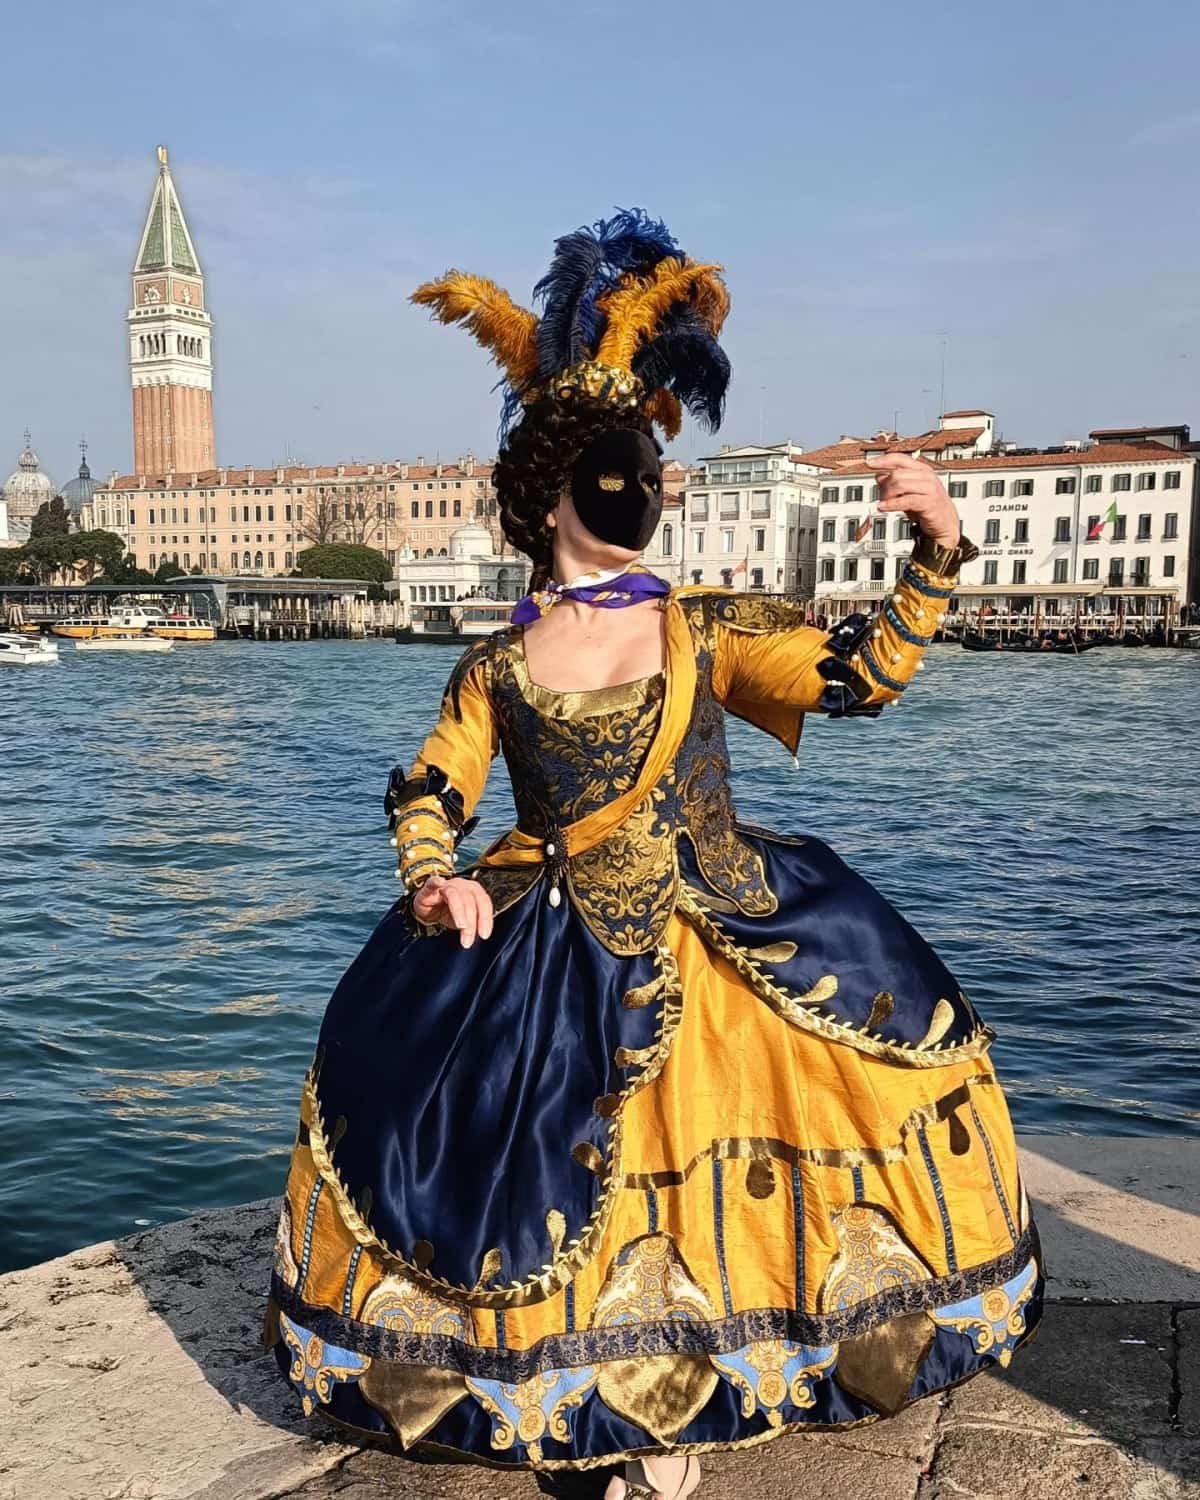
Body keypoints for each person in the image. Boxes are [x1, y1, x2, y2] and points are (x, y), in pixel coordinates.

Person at [266, 213, 1042, 1500]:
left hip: (730, 919)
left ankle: (699, 1391)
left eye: (647, 468)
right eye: (616, 469)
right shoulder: (498, 666)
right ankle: (600, 1399)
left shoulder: (710, 630)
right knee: (538, 1151)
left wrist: (938, 544)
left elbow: (862, 678)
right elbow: (434, 785)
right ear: (551, 497)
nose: (641, 488)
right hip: (546, 931)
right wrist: (434, 878)